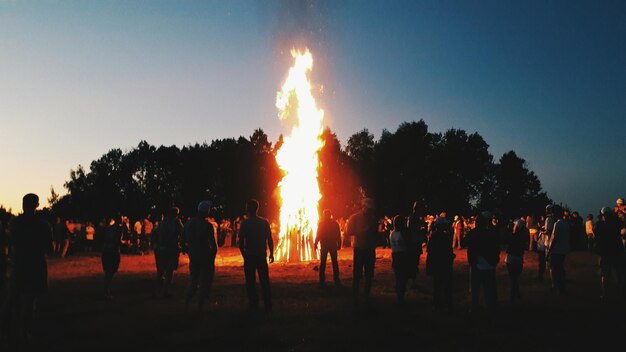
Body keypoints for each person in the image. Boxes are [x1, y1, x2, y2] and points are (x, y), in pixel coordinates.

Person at [0, 194, 52, 349]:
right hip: (35, 266)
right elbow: (49, 248)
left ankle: (5, 334)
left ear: (23, 205)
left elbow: (11, 242)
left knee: (11, 299)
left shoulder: (14, 223)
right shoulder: (43, 225)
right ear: (36, 205)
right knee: (29, 301)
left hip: (19, 264)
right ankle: (24, 334)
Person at [238, 199, 274, 312]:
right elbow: (269, 239)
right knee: (264, 280)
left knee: (250, 281)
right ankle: (268, 304)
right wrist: (271, 253)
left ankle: (253, 304)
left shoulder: (245, 223)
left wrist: (244, 254)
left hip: (250, 256)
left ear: (248, 209)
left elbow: (241, 240)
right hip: (261, 255)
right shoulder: (264, 222)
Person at [183, 201, 218, 313]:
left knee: (193, 280)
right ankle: (199, 307)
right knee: (204, 281)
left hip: (193, 255)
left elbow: (182, 239)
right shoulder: (207, 225)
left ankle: (186, 306)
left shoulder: (189, 223)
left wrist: (187, 250)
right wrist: (212, 257)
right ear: (207, 211)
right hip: (205, 256)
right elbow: (213, 244)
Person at [465, 211, 499, 315]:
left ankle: (474, 308)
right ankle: (489, 308)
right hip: (489, 264)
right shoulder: (491, 233)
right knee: (488, 289)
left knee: (475, 289)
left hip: (477, 264)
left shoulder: (474, 233)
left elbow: (464, 242)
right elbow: (496, 248)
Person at [346, 198, 378, 307]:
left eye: (371, 209)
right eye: (368, 209)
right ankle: (355, 296)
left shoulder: (373, 219)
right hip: (359, 249)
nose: (370, 211)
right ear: (363, 207)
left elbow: (375, 234)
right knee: (357, 274)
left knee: (369, 274)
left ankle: (366, 296)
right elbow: (349, 231)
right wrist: (363, 231)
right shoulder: (354, 218)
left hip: (370, 249)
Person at [593, 207, 626, 301]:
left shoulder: (599, 224)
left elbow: (596, 235)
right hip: (617, 250)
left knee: (605, 273)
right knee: (619, 272)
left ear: (602, 215)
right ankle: (622, 293)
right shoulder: (617, 223)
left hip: (606, 252)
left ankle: (605, 294)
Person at [152, 207, 184, 299]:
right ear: (176, 214)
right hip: (172, 249)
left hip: (162, 249)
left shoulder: (161, 223)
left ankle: (156, 291)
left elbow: (154, 235)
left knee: (160, 271)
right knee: (169, 271)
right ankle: (165, 291)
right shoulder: (177, 222)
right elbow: (183, 232)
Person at [426, 212, 455, 313]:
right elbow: (447, 252)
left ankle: (437, 305)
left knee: (437, 287)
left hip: (436, 265)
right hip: (444, 265)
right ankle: (448, 306)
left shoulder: (433, 236)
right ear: (442, 225)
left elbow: (429, 251)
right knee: (446, 286)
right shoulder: (444, 236)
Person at [547, 205, 570, 296]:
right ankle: (562, 287)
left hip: (556, 250)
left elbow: (554, 238)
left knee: (555, 269)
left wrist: (549, 250)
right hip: (563, 249)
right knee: (560, 268)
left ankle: (557, 287)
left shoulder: (557, 224)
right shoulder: (566, 223)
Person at [315, 209, 342, 287]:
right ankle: (335, 279)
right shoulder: (334, 224)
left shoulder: (322, 224)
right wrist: (339, 244)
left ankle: (322, 280)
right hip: (330, 245)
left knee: (324, 262)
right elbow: (338, 235)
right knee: (333, 262)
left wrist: (316, 243)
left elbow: (318, 234)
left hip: (326, 245)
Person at [389, 214, 412, 306]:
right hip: (402, 256)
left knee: (398, 277)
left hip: (395, 255)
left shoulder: (392, 233)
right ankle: (400, 298)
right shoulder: (403, 233)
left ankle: (399, 296)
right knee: (403, 277)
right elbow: (408, 244)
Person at [506, 218, 529, 302]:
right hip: (518, 259)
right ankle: (517, 295)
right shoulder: (523, 237)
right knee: (515, 278)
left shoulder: (513, 235)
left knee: (513, 279)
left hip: (511, 259)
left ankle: (513, 296)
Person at [101, 215, 123, 300]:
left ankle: (106, 290)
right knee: (110, 273)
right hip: (113, 251)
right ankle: (106, 292)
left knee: (108, 273)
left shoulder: (107, 228)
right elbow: (117, 241)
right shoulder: (119, 229)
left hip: (106, 251)